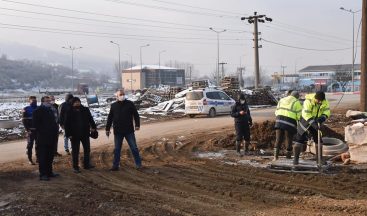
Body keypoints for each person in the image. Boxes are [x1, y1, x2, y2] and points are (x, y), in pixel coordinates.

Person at [106, 89, 142, 171]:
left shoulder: (130, 104)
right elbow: (110, 118)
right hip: (118, 131)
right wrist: (107, 129)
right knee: (117, 149)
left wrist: (137, 125)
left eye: (123, 94)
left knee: (134, 148)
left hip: (129, 130)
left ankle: (138, 164)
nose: (122, 96)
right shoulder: (113, 105)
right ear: (117, 96)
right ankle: (115, 165)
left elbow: (136, 115)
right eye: (120, 94)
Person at [293, 91, 330, 165]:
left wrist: (323, 117)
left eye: (320, 101)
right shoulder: (308, 101)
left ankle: (319, 159)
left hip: (316, 120)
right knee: (300, 138)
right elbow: (306, 114)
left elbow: (327, 111)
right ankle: (295, 159)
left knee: (319, 139)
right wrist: (313, 124)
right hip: (305, 121)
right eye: (318, 100)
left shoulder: (325, 102)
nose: (319, 102)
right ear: (315, 98)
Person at [64, 97, 97, 173]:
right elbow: (66, 124)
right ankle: (75, 167)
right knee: (75, 151)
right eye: (75, 102)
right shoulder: (69, 111)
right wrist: (68, 134)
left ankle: (86, 164)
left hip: (85, 133)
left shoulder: (85, 109)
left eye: (78, 102)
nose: (77, 103)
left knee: (87, 150)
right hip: (74, 135)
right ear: (72, 103)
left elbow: (90, 119)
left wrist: (93, 127)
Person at [33, 96, 59, 181]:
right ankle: (43, 174)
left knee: (50, 156)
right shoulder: (38, 110)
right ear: (42, 102)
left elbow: (54, 123)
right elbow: (36, 125)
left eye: (49, 100)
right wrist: (43, 131)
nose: (49, 102)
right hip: (42, 138)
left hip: (51, 137)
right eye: (47, 101)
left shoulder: (51, 110)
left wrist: (55, 132)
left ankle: (49, 172)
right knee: (42, 157)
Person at [273, 91, 302, 160]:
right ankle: (288, 157)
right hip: (290, 123)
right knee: (288, 140)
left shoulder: (282, 100)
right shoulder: (296, 102)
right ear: (297, 97)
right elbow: (299, 116)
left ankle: (275, 157)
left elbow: (276, 111)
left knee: (278, 139)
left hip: (279, 121)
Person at [22, 96, 38, 165]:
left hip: (38, 130)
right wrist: (27, 130)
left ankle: (38, 158)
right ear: (29, 101)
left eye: (35, 100)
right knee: (30, 145)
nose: (34, 101)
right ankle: (30, 159)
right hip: (30, 131)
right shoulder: (26, 109)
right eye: (32, 100)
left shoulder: (39, 108)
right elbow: (24, 120)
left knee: (38, 145)